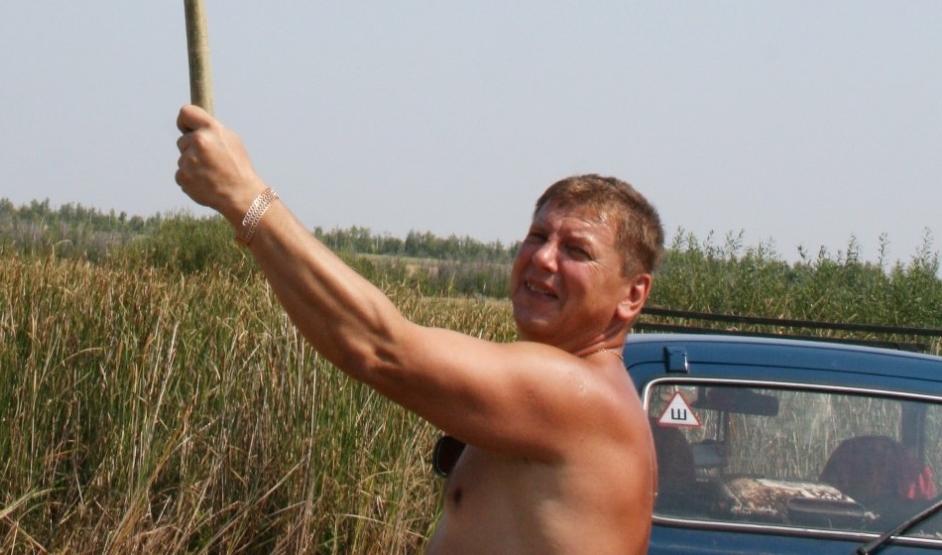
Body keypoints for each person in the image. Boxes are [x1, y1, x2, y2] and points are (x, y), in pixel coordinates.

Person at [176, 104, 662, 555]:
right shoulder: (562, 392)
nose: (544, 258)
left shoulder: (581, 396)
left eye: (576, 250)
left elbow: (378, 348)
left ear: (633, 295)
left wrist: (245, 197)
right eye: (537, 236)